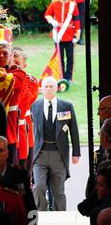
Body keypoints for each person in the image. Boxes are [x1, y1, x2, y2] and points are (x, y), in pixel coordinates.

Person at [31, 76, 80, 211]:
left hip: (58, 155)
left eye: (51, 86)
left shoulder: (66, 106)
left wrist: (76, 152)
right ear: (42, 88)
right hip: (39, 155)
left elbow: (73, 129)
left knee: (58, 191)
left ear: (56, 88)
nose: (48, 89)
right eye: (45, 86)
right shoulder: (35, 106)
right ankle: (41, 213)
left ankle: (60, 217)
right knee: (38, 186)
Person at [0, 40, 27, 165]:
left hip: (9, 129)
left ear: (11, 56)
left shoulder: (19, 73)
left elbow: (2, 80)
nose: (1, 56)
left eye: (5, 53)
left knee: (8, 170)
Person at [45, 0, 81, 83]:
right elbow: (47, 14)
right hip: (58, 35)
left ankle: (68, 77)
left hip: (69, 35)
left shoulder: (73, 5)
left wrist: (77, 35)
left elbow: (77, 21)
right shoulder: (54, 4)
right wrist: (52, 21)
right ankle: (61, 76)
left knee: (70, 58)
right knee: (59, 58)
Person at [12, 47, 39, 169]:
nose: (13, 66)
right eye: (11, 62)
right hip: (9, 129)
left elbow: (21, 102)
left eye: (17, 63)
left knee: (22, 169)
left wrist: (19, 79)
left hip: (22, 129)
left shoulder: (31, 81)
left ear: (24, 65)